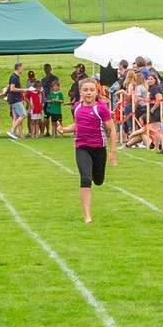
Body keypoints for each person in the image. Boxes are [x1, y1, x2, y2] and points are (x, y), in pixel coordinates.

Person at [58, 78, 116, 224]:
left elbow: (112, 129)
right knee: (85, 179)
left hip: (99, 148)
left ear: (96, 92)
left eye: (91, 90)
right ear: (80, 92)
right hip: (82, 147)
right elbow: (78, 124)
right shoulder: (77, 106)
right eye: (85, 90)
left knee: (98, 180)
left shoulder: (101, 108)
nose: (88, 93)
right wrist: (64, 129)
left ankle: (97, 178)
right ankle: (87, 216)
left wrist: (112, 152)